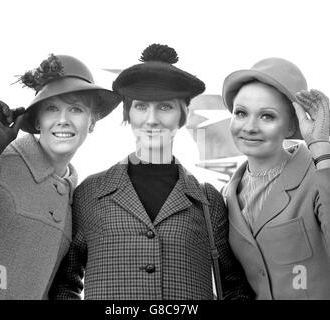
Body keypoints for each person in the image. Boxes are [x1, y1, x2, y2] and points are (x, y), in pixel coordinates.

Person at [49, 44, 254, 300]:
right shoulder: (90, 193)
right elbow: (64, 284)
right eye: (141, 106)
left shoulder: (208, 201)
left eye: (165, 107)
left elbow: (235, 287)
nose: (152, 119)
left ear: (184, 114)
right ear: (128, 113)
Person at [0, 54, 121, 299]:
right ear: (37, 121)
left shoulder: (73, 199)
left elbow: (60, 288)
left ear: (92, 122)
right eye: (52, 108)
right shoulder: (0, 162)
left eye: (76, 109)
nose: (63, 120)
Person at [221, 57, 330, 299]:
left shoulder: (321, 173)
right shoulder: (226, 196)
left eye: (267, 116)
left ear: (290, 126)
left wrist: (321, 147)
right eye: (241, 113)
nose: (250, 127)